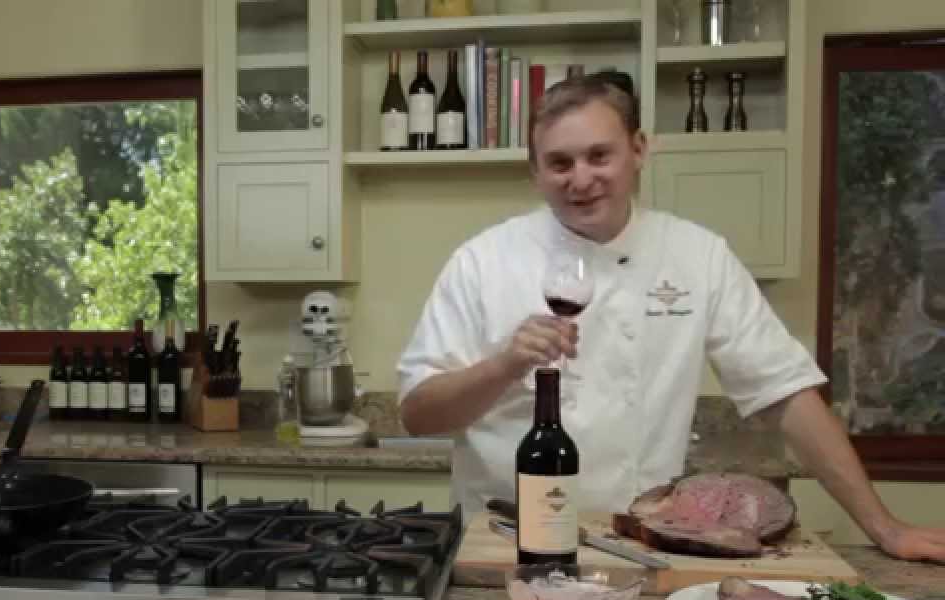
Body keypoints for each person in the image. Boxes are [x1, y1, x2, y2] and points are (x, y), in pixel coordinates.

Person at [396, 74, 945, 563]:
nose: (580, 178)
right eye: (560, 163)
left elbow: (787, 394)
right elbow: (418, 415)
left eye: (599, 156)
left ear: (638, 150)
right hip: (503, 541)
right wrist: (502, 365)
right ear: (535, 172)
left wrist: (884, 527)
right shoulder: (484, 261)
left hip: (640, 544)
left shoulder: (696, 255)